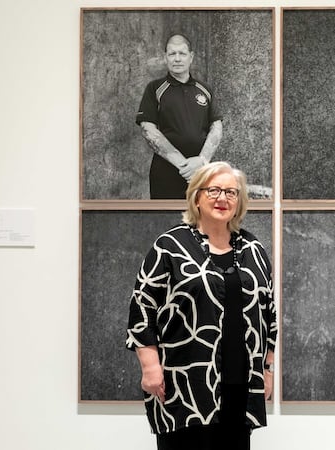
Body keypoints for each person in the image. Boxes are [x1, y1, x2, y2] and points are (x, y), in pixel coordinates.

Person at [126, 161, 276, 450]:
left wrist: (267, 370)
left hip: (240, 385)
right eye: (214, 190)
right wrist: (150, 367)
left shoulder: (253, 249)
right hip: (184, 384)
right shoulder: (170, 245)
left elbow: (269, 316)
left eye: (231, 193)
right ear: (197, 197)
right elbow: (142, 308)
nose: (223, 199)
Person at [136, 34, 224, 199]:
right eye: (172, 54)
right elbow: (147, 129)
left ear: (191, 57)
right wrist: (184, 166)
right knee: (166, 222)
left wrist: (202, 161)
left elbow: (216, 127)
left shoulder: (205, 89)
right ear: (165, 57)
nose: (177, 59)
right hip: (165, 174)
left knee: (201, 222)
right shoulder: (155, 88)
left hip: (201, 174)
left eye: (182, 54)